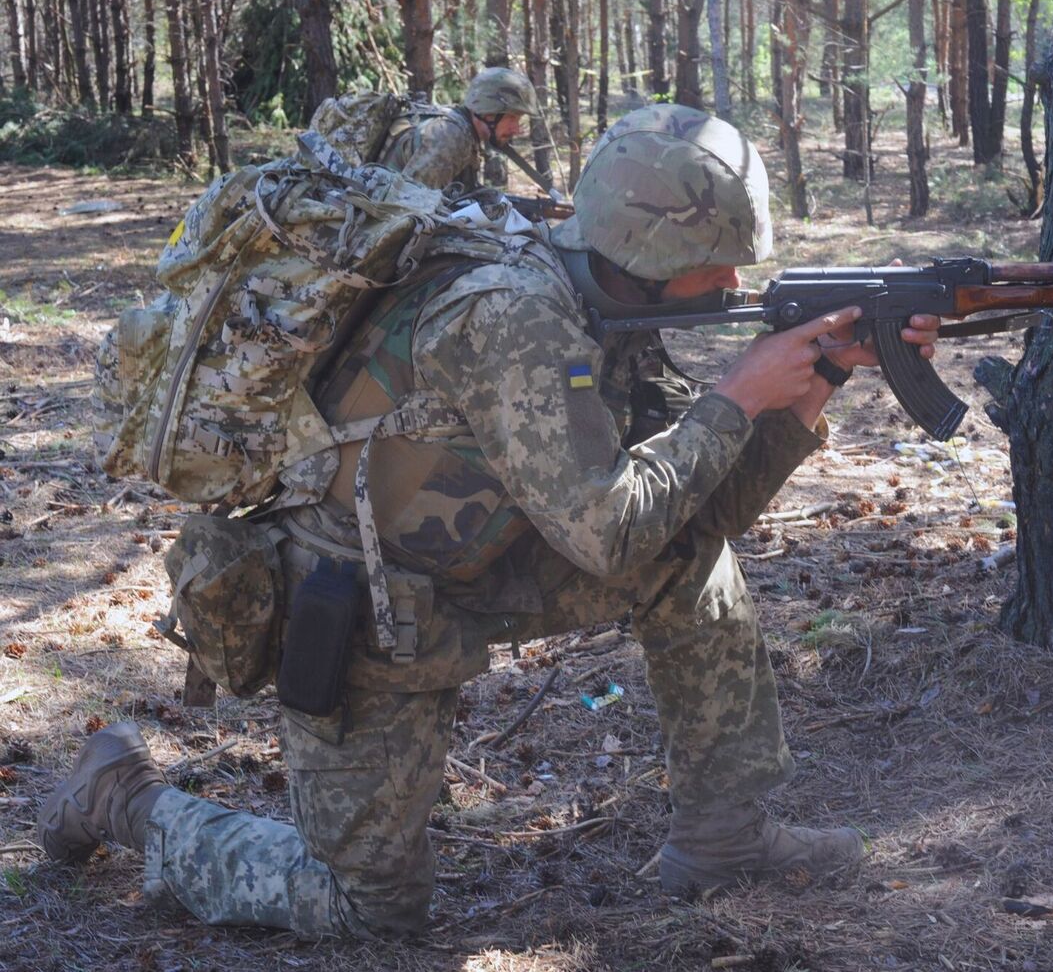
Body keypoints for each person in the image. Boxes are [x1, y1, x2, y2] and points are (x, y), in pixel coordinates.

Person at [37, 104, 942, 940]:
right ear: (649, 251)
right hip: (363, 608)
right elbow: (609, 532)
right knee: (365, 906)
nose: (736, 281)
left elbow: (703, 511)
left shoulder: (604, 290)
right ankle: (123, 793)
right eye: (718, 259)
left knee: (690, 556)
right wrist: (736, 396)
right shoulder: (512, 315)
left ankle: (725, 837)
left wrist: (814, 381)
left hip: (488, 557)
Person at [380, 66, 540, 192]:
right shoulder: (451, 136)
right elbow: (408, 207)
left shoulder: (464, 130)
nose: (517, 129)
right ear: (489, 112)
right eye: (512, 118)